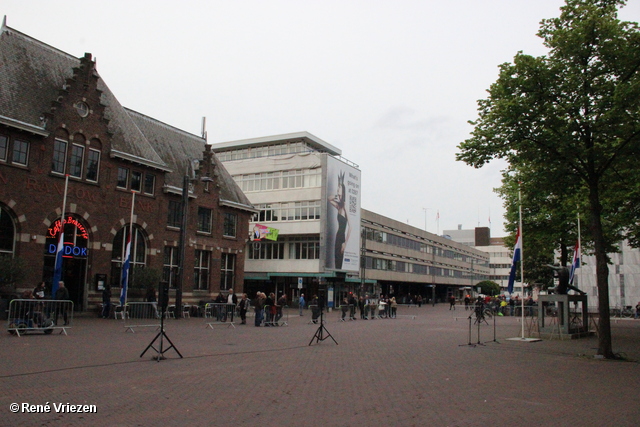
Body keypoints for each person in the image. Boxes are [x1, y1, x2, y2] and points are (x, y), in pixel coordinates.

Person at [328, 171, 351, 269]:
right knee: (336, 260)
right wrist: (337, 196)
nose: (338, 189)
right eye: (337, 187)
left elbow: (350, 227)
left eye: (339, 187)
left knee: (339, 261)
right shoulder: (339, 206)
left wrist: (345, 243)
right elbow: (329, 199)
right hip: (337, 237)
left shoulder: (345, 207)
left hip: (342, 238)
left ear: (343, 190)